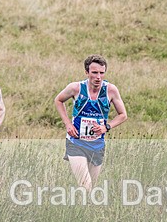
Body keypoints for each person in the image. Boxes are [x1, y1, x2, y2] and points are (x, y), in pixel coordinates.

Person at [54, 54, 128, 191]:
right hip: (76, 142)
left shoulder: (110, 90)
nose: (98, 77)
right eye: (94, 73)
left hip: (97, 144)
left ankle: (81, 210)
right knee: (85, 185)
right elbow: (58, 100)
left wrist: (107, 127)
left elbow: (123, 115)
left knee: (92, 187)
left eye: (101, 73)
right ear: (87, 72)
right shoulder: (76, 88)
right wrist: (67, 124)